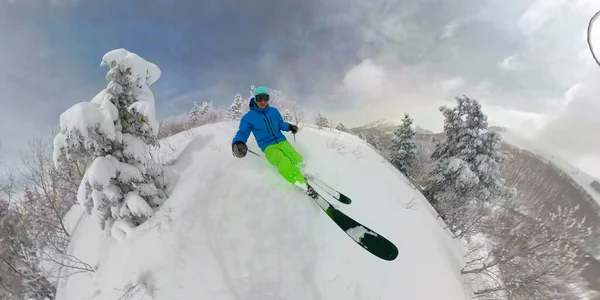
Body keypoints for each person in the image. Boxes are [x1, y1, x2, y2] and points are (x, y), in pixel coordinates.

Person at [231, 86, 306, 187]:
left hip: (282, 141)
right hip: (268, 146)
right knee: (283, 161)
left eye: (265, 98)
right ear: (255, 99)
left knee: (297, 158)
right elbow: (242, 132)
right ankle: (299, 181)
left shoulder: (273, 111)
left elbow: (280, 123)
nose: (262, 101)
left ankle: (303, 172)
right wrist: (238, 142)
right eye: (259, 98)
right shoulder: (248, 117)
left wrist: (289, 127)